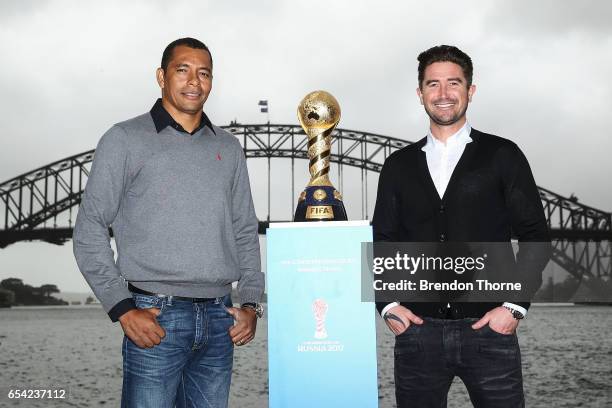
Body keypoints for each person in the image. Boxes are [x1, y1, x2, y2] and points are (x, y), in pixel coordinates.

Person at [73, 37, 264, 408]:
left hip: (220, 317)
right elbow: (90, 227)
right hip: (155, 314)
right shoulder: (124, 139)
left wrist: (252, 304)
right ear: (162, 76)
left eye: (204, 73)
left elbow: (245, 229)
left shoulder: (228, 146)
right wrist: (123, 309)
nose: (194, 81)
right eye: (183, 69)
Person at [372, 45, 551, 407]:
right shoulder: (398, 165)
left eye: (453, 83)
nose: (443, 94)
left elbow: (535, 235)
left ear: (470, 90)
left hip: (489, 330)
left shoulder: (503, 155)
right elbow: (383, 240)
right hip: (417, 333)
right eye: (433, 84)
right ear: (420, 93)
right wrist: (387, 304)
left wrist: (514, 306)